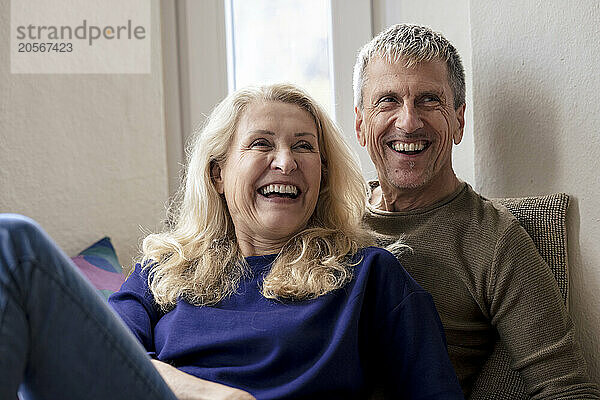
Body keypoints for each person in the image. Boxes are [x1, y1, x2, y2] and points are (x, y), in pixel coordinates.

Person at [0, 83, 464, 399]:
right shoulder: (164, 270)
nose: (285, 162)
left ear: (322, 177)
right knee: (12, 246)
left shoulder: (369, 274)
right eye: (262, 143)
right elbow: (104, 356)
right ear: (218, 173)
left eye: (304, 146)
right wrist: (205, 392)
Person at [353, 23, 600, 399]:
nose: (408, 121)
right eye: (387, 100)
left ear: (459, 120)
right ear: (360, 123)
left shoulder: (494, 239)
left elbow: (568, 389)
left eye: (429, 100)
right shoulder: (327, 214)